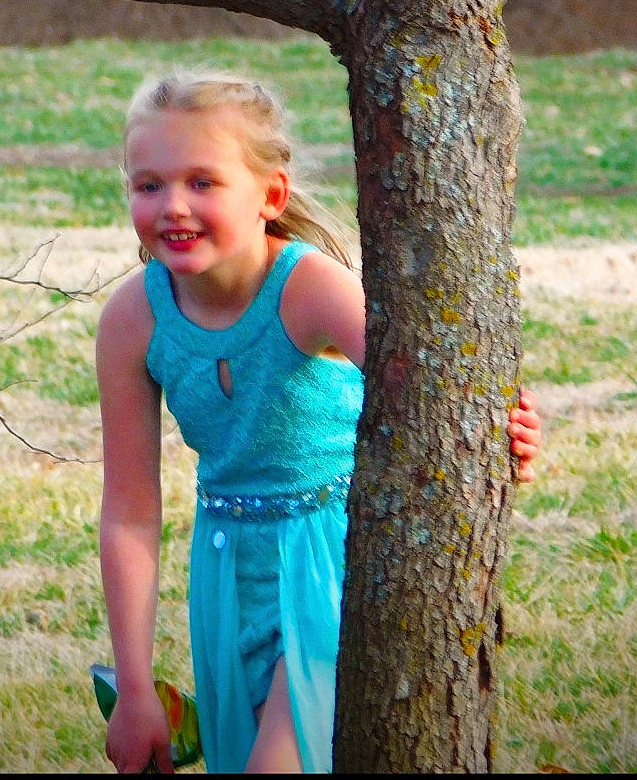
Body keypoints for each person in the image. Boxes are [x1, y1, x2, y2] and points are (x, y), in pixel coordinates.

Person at [96, 72, 542, 774]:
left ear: (270, 195)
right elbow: (128, 511)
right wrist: (135, 687)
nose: (173, 207)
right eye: (148, 185)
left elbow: (438, 401)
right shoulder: (133, 319)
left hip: (333, 561)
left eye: (203, 183)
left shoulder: (309, 290)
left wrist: (502, 436)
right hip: (224, 571)